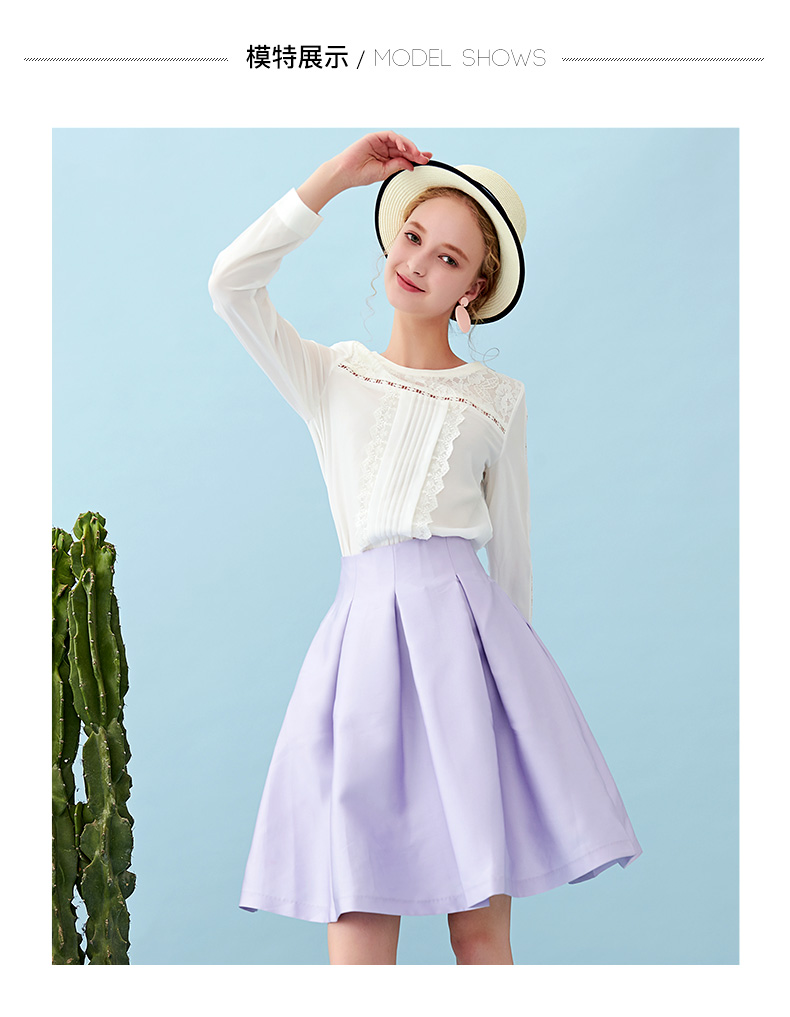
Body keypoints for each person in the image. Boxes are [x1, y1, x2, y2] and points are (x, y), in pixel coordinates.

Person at [208, 130, 642, 965]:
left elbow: (512, 564)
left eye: (448, 258)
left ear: (472, 288)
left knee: (479, 928)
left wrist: (515, 714)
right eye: (412, 237)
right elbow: (231, 284)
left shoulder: (496, 399)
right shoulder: (331, 375)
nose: (417, 263)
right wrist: (333, 179)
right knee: (360, 919)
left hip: (470, 662)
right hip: (363, 656)